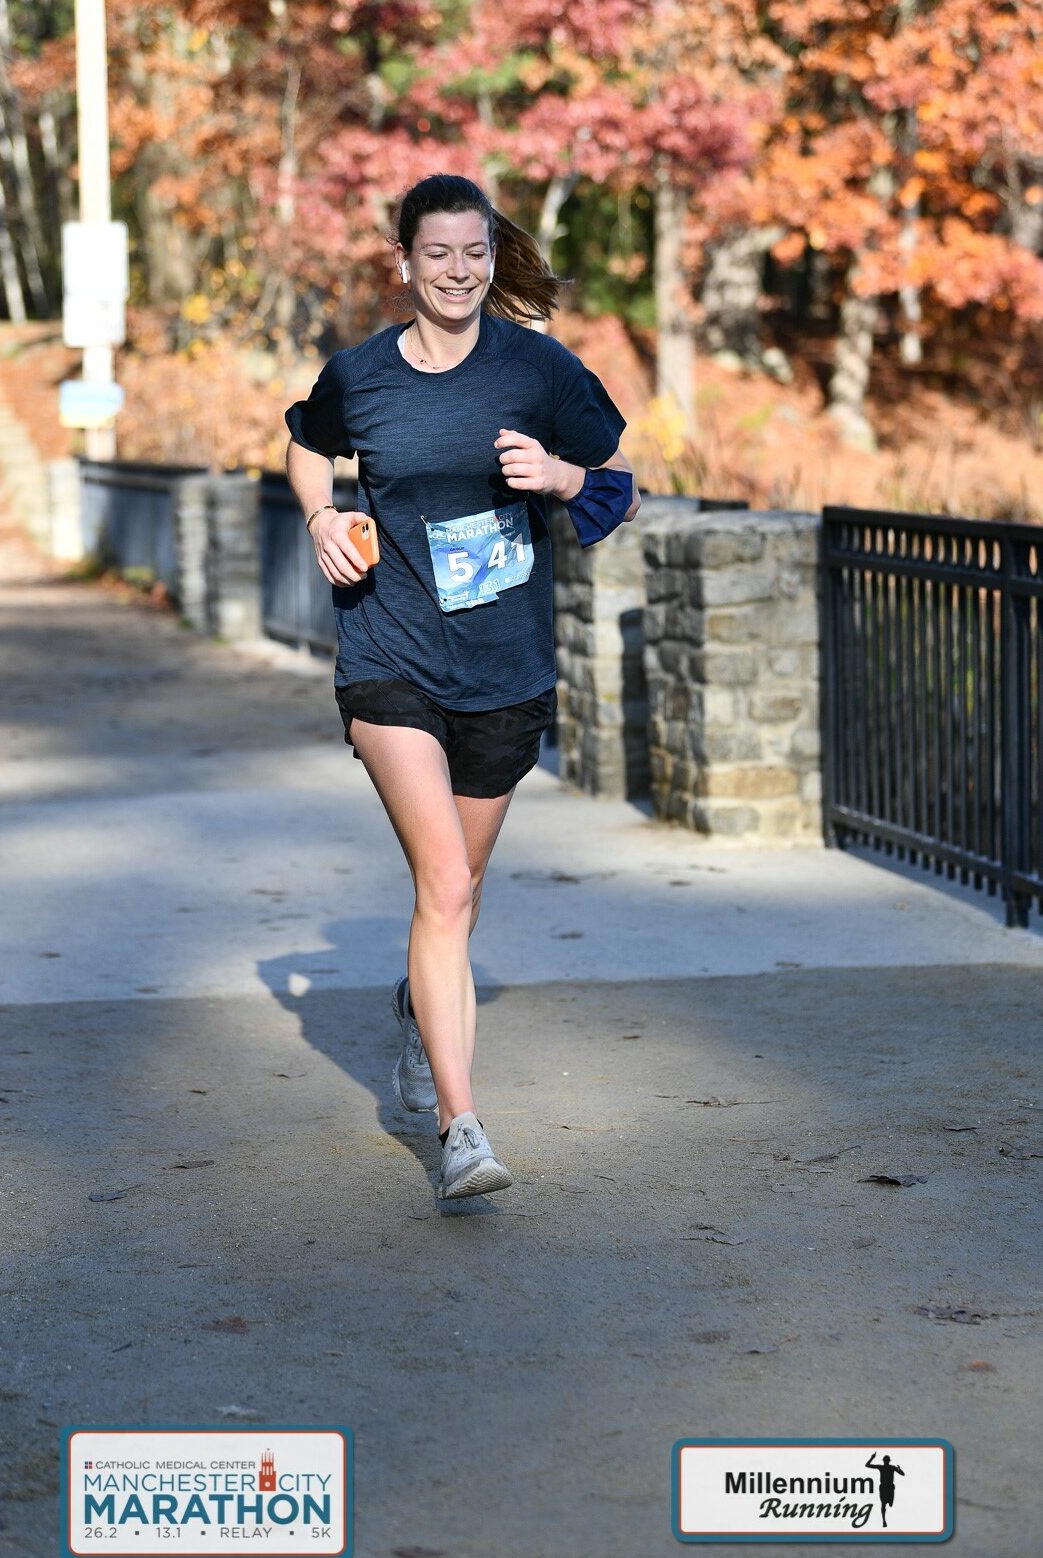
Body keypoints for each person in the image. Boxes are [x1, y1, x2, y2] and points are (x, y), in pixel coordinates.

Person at [284, 172, 638, 1200]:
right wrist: (321, 519)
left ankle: (414, 1007)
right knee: (442, 883)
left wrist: (558, 478)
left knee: (460, 891)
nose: (455, 270)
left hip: (503, 667)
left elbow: (611, 474)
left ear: (492, 256)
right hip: (389, 655)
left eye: (472, 252)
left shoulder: (535, 369)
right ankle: (460, 1127)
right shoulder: (361, 375)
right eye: (434, 253)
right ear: (402, 262)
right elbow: (307, 446)